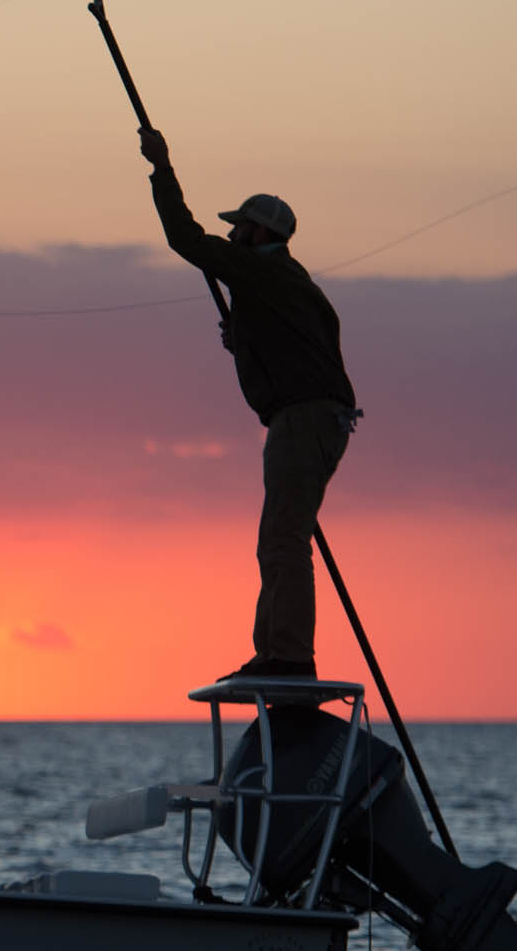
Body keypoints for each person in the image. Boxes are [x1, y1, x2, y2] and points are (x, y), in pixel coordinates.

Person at [138, 126, 360, 681]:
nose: (232, 235)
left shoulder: (264, 272)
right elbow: (307, 343)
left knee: (284, 539)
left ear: (260, 233)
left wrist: (161, 168)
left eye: (239, 227)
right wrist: (245, 336)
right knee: (279, 538)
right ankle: (275, 653)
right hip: (309, 419)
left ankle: (288, 659)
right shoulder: (282, 283)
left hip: (304, 419)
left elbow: (185, 240)